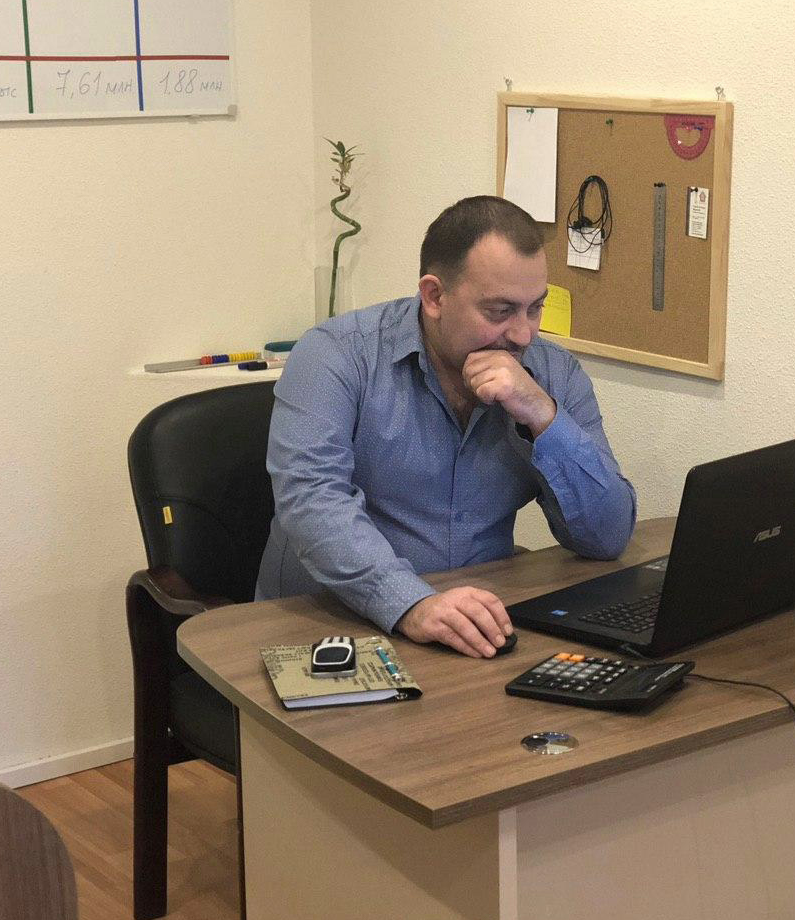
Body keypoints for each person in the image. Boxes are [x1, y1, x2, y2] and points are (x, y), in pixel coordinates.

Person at [256, 195, 636, 657]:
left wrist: (542, 416)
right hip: (326, 631)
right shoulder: (335, 355)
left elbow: (607, 537)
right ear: (435, 296)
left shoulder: (552, 373)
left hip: (472, 628)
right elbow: (313, 503)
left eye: (535, 307)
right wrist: (411, 604)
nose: (524, 334)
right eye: (500, 311)